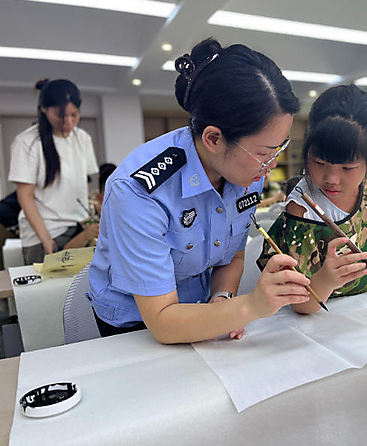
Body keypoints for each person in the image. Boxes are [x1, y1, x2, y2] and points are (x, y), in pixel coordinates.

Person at [88, 38, 311, 344]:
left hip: (199, 307)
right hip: (137, 327)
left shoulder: (247, 171)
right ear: (213, 139)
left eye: (278, 149)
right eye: (264, 153)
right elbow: (163, 322)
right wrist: (249, 306)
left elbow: (231, 256)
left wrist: (222, 299)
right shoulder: (139, 191)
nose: (271, 166)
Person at [257, 85, 367, 315]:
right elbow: (301, 304)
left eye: (347, 167)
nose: (331, 179)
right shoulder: (302, 207)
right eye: (319, 163)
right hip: (330, 313)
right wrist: (325, 280)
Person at [8, 79, 99, 265]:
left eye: (74, 115)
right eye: (60, 115)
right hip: (44, 233)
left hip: (78, 229)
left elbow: (84, 184)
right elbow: (24, 196)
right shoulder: (27, 142)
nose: (68, 122)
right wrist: (45, 239)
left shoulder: (82, 138)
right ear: (44, 109)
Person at [63, 163, 116, 249]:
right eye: (110, 195)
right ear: (99, 198)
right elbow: (66, 251)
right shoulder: (88, 224)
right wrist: (85, 236)